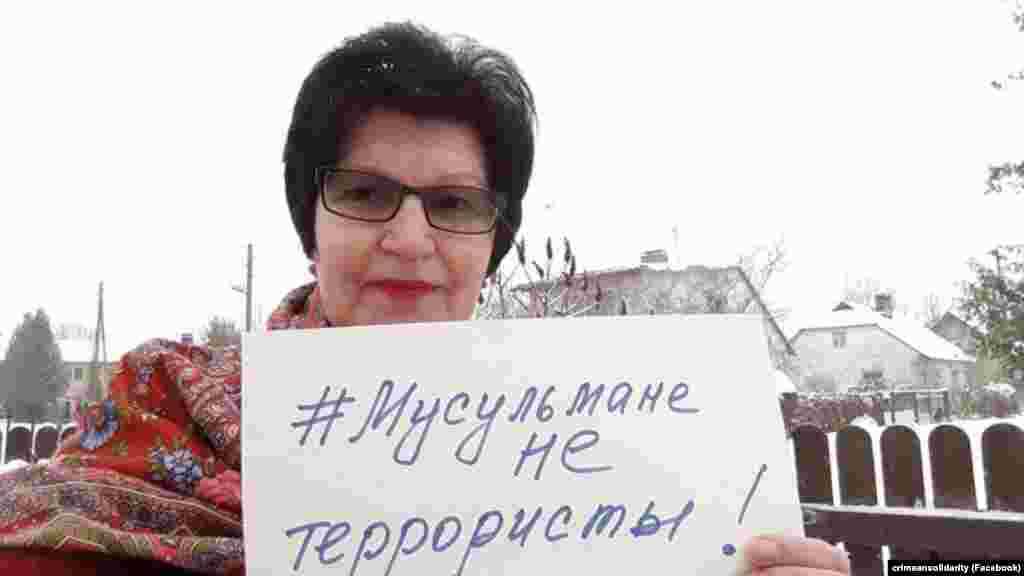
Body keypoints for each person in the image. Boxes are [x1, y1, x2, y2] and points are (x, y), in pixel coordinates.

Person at [0, 22, 850, 576]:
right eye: (366, 194)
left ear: (494, 240)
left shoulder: (639, 452)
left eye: (453, 203)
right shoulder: (166, 409)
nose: (409, 239)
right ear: (309, 222)